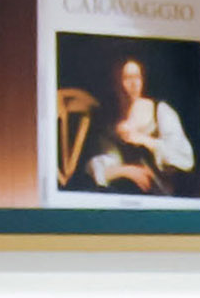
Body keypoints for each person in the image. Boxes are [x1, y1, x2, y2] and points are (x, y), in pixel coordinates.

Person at [81, 57, 194, 196]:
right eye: (127, 78)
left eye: (137, 77)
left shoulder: (160, 111)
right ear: (115, 84)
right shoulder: (112, 123)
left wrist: (144, 140)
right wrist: (127, 170)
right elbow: (102, 166)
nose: (134, 84)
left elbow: (184, 158)